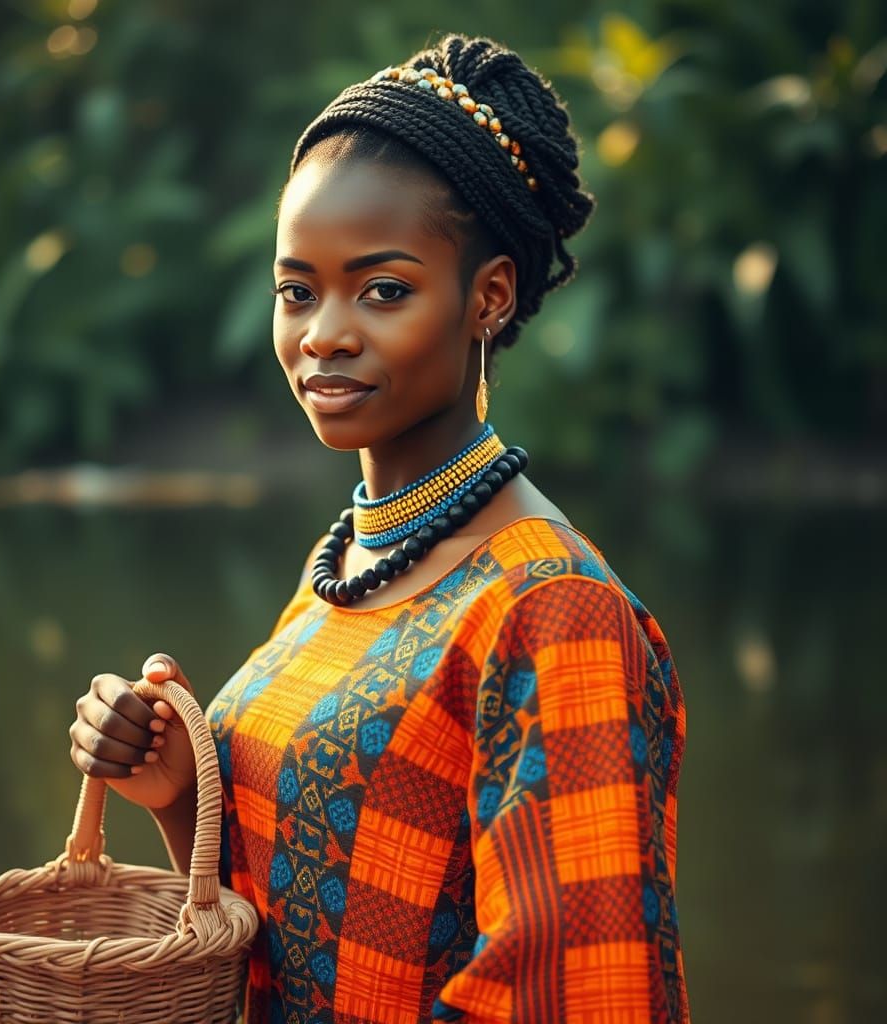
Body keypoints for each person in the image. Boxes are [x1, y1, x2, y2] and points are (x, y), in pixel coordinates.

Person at [69, 33, 690, 1023]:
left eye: (383, 289)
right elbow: (284, 933)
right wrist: (179, 787)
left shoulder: (549, 609)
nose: (325, 332)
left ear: (486, 295)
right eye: (296, 290)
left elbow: (577, 994)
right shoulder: (347, 566)